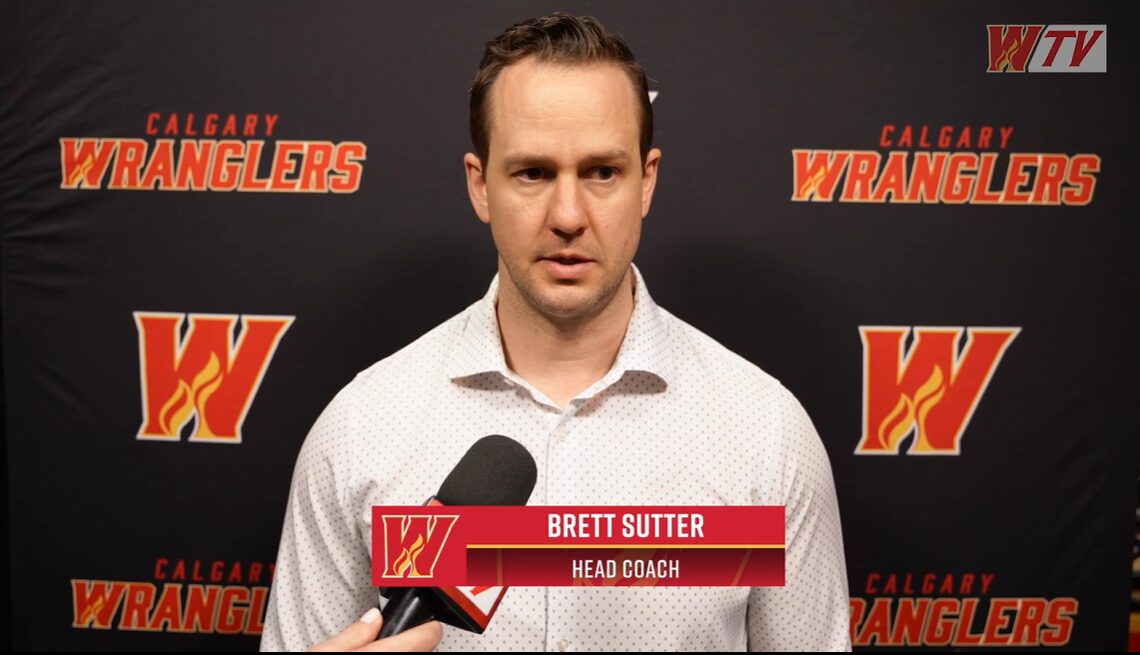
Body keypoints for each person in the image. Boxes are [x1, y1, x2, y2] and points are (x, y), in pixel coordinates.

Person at [261, 12, 850, 652]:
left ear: (647, 181)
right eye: (533, 173)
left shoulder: (765, 435)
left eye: (602, 172)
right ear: (480, 186)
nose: (568, 216)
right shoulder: (361, 430)